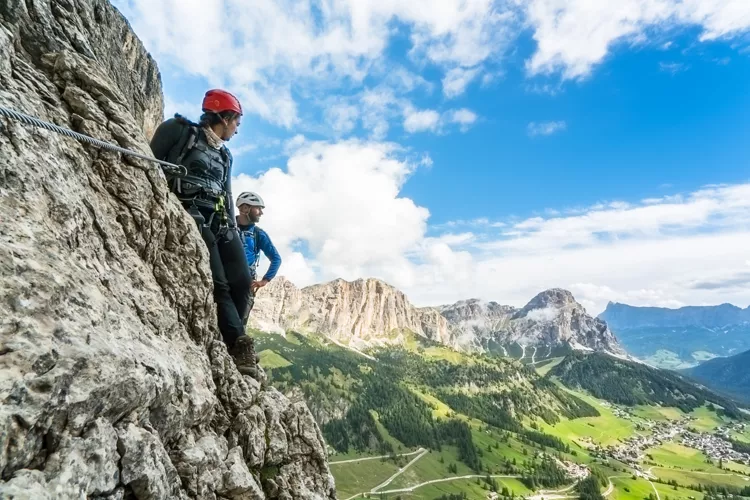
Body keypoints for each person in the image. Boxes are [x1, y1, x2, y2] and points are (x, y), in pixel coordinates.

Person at [149, 89, 258, 377]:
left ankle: (234, 330)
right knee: (218, 280)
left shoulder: (225, 155)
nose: (236, 129)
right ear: (224, 117)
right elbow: (149, 165)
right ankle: (238, 343)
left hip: (220, 219)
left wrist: (232, 229)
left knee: (243, 280)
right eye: (236, 122)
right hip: (190, 213)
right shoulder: (179, 131)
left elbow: (227, 191)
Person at [235, 191, 282, 322]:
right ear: (245, 208)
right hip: (224, 279)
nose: (261, 212)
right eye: (258, 208)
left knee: (239, 322)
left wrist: (264, 281)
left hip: (245, 283)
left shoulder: (258, 234)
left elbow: (276, 258)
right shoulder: (226, 225)